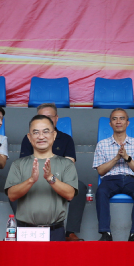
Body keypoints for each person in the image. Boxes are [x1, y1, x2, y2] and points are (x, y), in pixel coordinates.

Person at [19, 103, 87, 241]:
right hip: (35, 178)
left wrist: (51, 175)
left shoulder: (66, 139)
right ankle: (24, 227)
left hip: (59, 179)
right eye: (41, 117)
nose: (45, 120)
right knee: (13, 187)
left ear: (56, 118)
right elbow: (24, 164)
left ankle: (70, 232)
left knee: (80, 187)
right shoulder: (29, 138)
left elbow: (69, 164)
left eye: (49, 117)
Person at [6, 114, 78, 241]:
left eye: (46, 131)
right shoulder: (18, 164)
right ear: (29, 137)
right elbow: (11, 195)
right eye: (36, 132)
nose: (41, 136)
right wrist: (31, 180)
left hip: (55, 231)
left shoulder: (66, 164)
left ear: (54, 135)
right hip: (26, 231)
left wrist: (50, 178)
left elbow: (70, 194)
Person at [92, 108, 134, 241]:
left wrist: (127, 157)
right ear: (110, 123)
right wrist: (117, 158)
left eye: (122, 118)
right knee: (101, 191)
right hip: (110, 179)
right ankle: (106, 233)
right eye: (114, 119)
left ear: (127, 123)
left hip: (131, 179)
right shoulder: (102, 144)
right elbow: (100, 171)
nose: (118, 121)